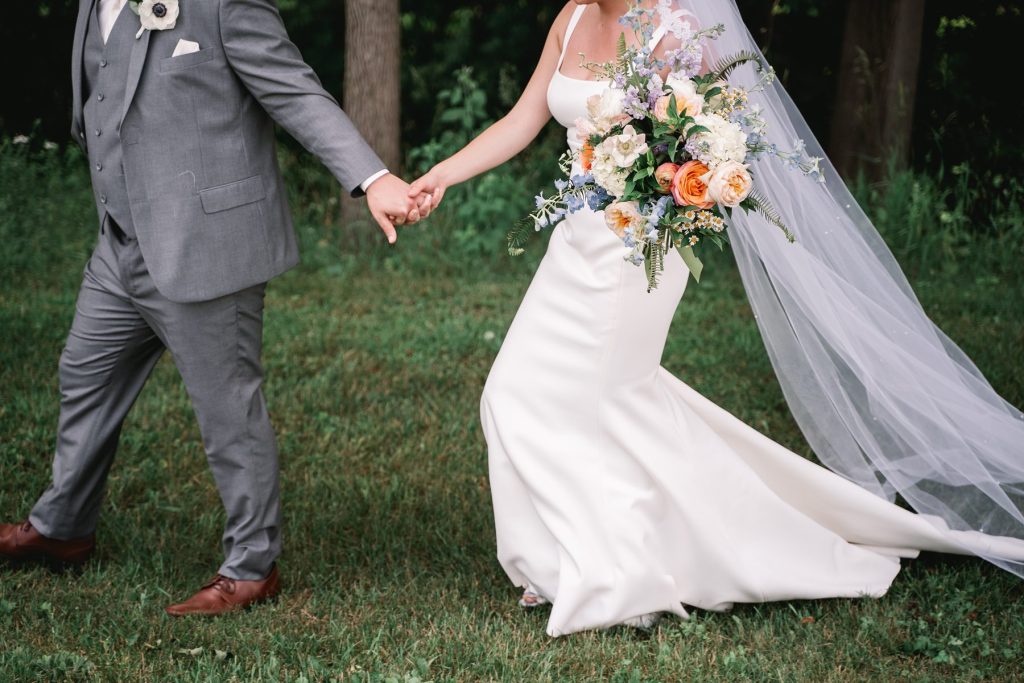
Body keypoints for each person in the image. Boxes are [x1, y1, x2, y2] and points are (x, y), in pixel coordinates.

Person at [409, 0, 1024, 636]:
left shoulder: (674, 24)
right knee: (546, 398)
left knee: (567, 398)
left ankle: (620, 576)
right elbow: (521, 119)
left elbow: (727, 135)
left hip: (642, 249)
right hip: (577, 241)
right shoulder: (568, 18)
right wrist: (439, 177)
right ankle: (569, 561)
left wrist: (679, 183)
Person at [0, 0, 432, 616]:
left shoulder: (223, 4)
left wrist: (371, 178)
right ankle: (63, 526)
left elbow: (295, 93)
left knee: (228, 411)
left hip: (207, 244)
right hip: (119, 244)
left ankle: (252, 566)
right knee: (83, 377)